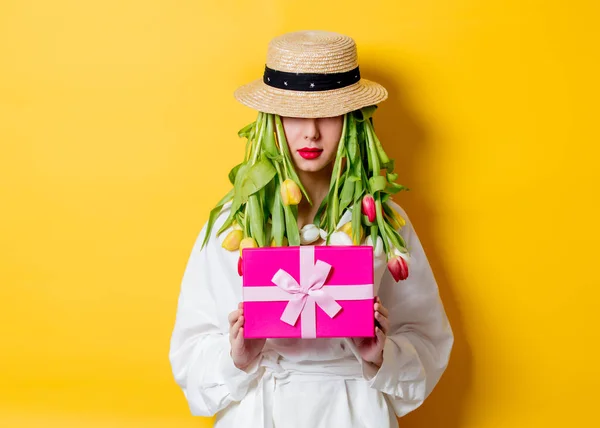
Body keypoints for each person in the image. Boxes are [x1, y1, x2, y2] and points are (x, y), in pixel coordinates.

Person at [169, 30, 454, 428]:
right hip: (258, 413)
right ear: (271, 121)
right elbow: (189, 349)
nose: (312, 132)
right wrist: (236, 357)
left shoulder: (383, 222)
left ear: (353, 121)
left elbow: (429, 339)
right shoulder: (233, 223)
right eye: (294, 113)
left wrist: (381, 354)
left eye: (329, 113)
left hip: (355, 413)